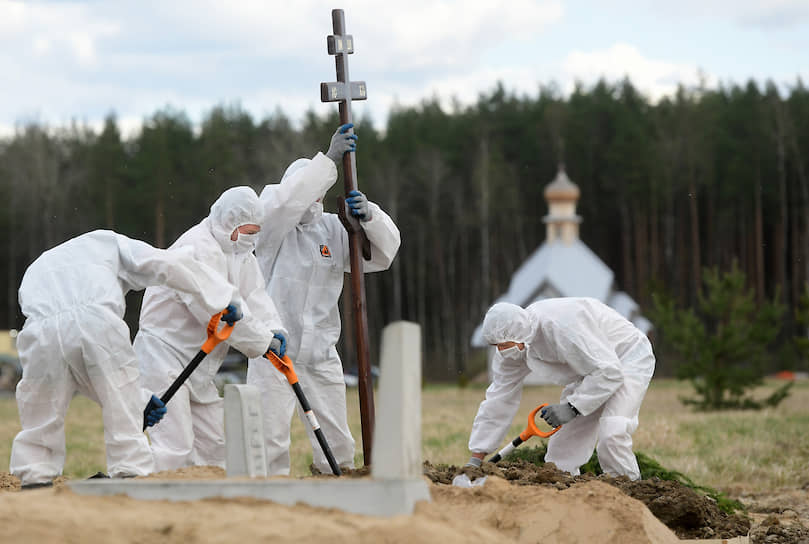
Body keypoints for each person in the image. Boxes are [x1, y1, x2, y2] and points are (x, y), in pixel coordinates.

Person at [10, 230, 237, 488]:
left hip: (38, 330)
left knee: (40, 410)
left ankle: (34, 480)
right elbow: (169, 264)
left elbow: (72, 356)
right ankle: (131, 475)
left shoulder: (44, 262)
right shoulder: (112, 243)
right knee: (124, 418)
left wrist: (140, 402)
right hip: (96, 320)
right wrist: (223, 298)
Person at [247, 123, 401, 475]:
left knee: (337, 443)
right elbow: (286, 201)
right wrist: (330, 160)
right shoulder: (271, 229)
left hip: (320, 353)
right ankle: (268, 500)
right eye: (310, 189)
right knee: (268, 440)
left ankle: (334, 492)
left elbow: (382, 254)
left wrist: (369, 218)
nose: (313, 198)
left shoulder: (334, 228)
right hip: (273, 350)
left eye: (319, 191)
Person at [134, 187, 288, 472]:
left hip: (199, 366)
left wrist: (274, 327)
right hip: (164, 357)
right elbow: (216, 312)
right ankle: (145, 499)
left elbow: (254, 296)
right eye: (245, 231)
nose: (249, 239)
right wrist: (262, 342)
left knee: (214, 450)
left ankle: (209, 509)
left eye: (255, 232)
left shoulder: (240, 252)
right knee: (175, 448)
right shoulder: (196, 248)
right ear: (227, 221)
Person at [466, 298, 655, 480]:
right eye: (496, 346)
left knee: (613, 431)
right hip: (589, 370)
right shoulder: (513, 349)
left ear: (519, 335)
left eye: (504, 345)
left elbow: (609, 372)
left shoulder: (560, 328)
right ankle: (563, 496)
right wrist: (476, 459)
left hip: (627, 357)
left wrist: (572, 408)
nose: (501, 351)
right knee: (562, 450)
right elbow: (498, 400)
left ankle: (629, 492)